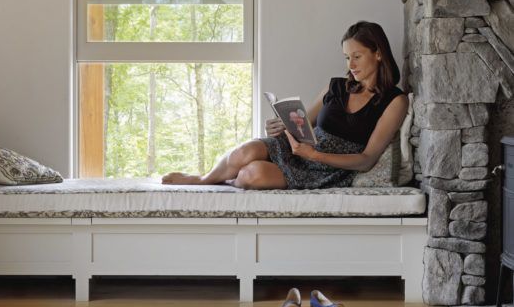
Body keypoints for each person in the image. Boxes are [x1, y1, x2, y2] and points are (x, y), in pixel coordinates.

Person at [161, 21, 408, 190]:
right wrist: (283, 126)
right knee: (243, 153)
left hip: (328, 168)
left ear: (377, 53)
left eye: (357, 56)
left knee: (251, 175)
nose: (351, 64)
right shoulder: (337, 86)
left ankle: (229, 181)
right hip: (301, 148)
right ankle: (203, 180)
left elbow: (366, 160)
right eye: (347, 57)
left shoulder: (394, 100)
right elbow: (304, 123)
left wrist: (315, 155)